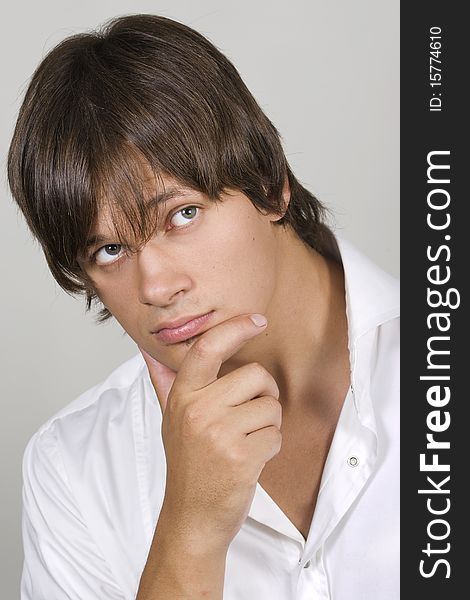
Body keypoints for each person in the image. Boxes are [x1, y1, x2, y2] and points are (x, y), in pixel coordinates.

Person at [8, 14, 399, 600]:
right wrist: (189, 531)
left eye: (181, 215)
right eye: (110, 250)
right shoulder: (72, 468)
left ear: (269, 184)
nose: (155, 286)